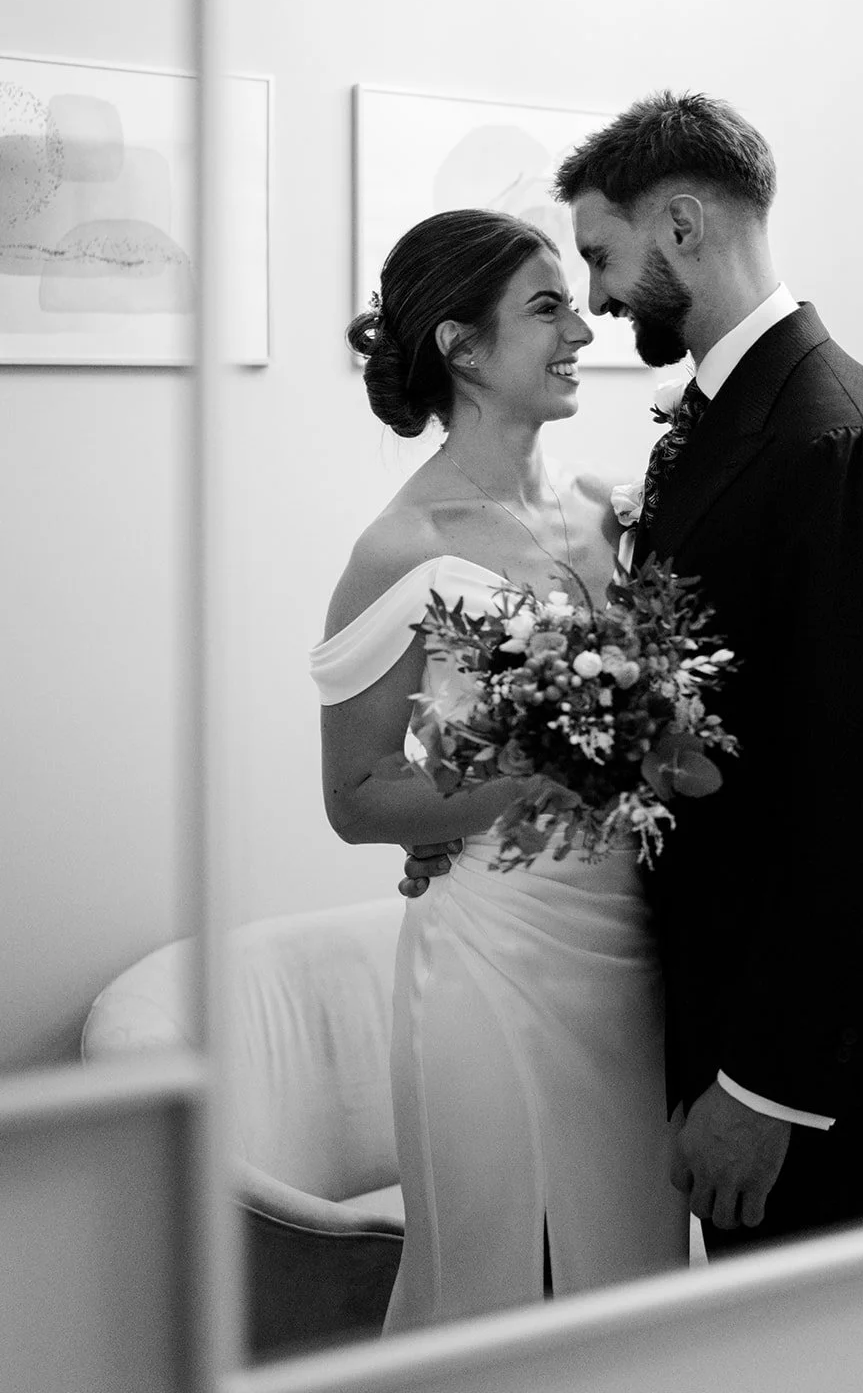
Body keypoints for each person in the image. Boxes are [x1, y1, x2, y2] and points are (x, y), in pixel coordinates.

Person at [405, 92, 863, 1256]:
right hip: (711, 999)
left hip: (815, 1053)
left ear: (680, 224)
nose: (601, 301)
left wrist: (766, 1090)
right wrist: (477, 798)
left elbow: (854, 808)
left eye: (604, 259)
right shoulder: (729, 419)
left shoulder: (841, 445)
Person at [310, 208, 690, 1334]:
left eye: (576, 301)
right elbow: (355, 794)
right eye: (548, 308)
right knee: (497, 1286)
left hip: (631, 951)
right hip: (492, 955)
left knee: (632, 1284)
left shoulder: (603, 512)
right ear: (462, 348)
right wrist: (540, 777)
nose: (586, 326)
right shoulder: (402, 548)